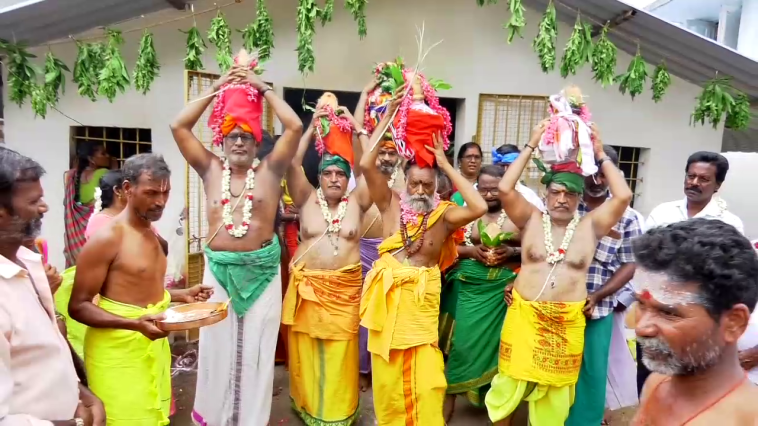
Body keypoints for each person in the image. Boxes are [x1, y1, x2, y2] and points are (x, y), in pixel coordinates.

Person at [170, 61, 303, 425]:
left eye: (246, 136)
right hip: (218, 271)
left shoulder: (271, 171)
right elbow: (178, 126)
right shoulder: (210, 169)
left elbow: (294, 126)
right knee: (216, 348)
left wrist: (262, 88)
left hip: (263, 273)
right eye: (232, 136)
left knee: (259, 350)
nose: (240, 142)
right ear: (222, 141)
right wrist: (217, 89)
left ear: (257, 142)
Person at [485, 121, 632, 425]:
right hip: (525, 317)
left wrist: (600, 153)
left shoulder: (591, 226)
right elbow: (505, 188)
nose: (562, 199)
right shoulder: (530, 219)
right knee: (509, 386)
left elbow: (622, 196)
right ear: (547, 193)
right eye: (556, 192)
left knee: (555, 397)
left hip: (565, 324)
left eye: (570, 194)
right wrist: (532, 143)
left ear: (579, 199)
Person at [359, 96, 488, 423]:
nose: (419, 190)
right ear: (404, 182)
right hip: (390, 307)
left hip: (420, 311)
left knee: (428, 384)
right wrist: (387, 118)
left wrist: (446, 164)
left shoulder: (444, 215)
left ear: (436, 187)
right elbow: (366, 165)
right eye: (414, 183)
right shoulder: (390, 203)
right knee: (389, 385)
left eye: (427, 185)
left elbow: (479, 207)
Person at [69, 154, 211, 425]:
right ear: (127, 189)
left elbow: (138, 290)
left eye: (165, 192)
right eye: (151, 193)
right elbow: (78, 306)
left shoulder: (154, 235)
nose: (160, 201)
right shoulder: (107, 239)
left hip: (153, 348)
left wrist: (181, 295)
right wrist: (134, 324)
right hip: (118, 354)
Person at [282, 92, 376, 424]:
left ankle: (340, 412)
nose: (334, 178)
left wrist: (356, 128)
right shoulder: (306, 198)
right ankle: (309, 406)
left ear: (347, 178)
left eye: (340, 173)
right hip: (309, 293)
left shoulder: (358, 201)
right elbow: (292, 163)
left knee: (342, 353)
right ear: (319, 177)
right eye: (328, 173)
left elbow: (369, 167)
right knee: (308, 351)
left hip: (344, 293)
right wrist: (312, 126)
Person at [0, 147, 105, 425]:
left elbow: (46, 354)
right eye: (34, 201)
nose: (44, 208)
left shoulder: (29, 263)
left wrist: (83, 393)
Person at [632, 219, 758, 424]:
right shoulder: (656, 384)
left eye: (668, 312)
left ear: (733, 323)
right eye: (641, 304)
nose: (640, 328)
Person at [639, 151, 745, 393]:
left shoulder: (729, 223)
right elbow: (645, 259)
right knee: (650, 374)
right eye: (690, 176)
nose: (694, 183)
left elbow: (729, 273)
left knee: (687, 376)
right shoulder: (662, 213)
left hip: (697, 314)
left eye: (704, 179)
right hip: (658, 306)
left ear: (718, 185)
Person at [441, 165, 539, 422]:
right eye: (483, 189)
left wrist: (513, 252)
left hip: (504, 288)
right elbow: (446, 245)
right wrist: (471, 252)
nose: (488, 194)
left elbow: (539, 249)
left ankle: (497, 404)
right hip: (470, 286)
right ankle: (449, 401)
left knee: (500, 347)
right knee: (461, 345)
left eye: (494, 189)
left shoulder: (522, 212)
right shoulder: (468, 210)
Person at [565, 145, 643, 426]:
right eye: (591, 172)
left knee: (592, 372)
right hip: (557, 306)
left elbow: (630, 264)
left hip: (597, 309)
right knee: (554, 367)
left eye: (603, 173)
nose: (597, 180)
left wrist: (598, 295)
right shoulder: (565, 207)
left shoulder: (628, 216)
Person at [353, 79, 407, 391]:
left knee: (392, 314)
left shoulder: (406, 180)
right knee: (365, 316)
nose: (386, 158)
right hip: (363, 255)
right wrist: (365, 94)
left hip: (394, 255)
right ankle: (363, 369)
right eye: (381, 152)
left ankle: (386, 367)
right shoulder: (365, 175)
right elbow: (358, 133)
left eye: (391, 153)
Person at [63, 142, 111, 267]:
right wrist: (115, 166)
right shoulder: (103, 173)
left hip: (78, 225)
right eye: (103, 153)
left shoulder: (73, 175)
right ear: (91, 159)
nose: (108, 156)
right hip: (94, 219)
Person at [492, 144, 545, 212]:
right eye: (502, 166)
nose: (505, 170)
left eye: (510, 166)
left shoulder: (529, 197)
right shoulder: (484, 193)